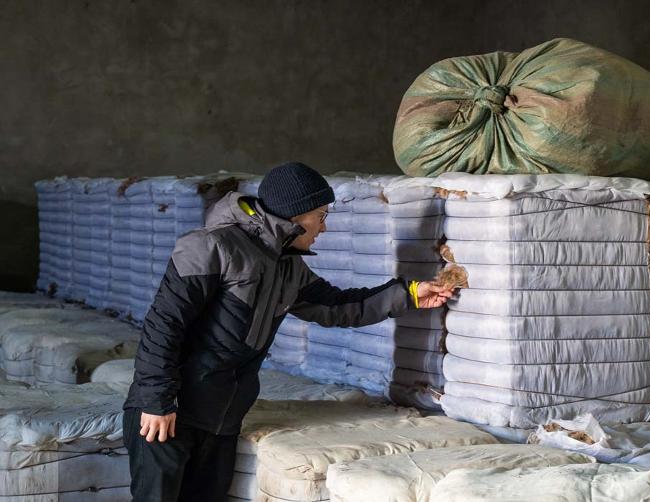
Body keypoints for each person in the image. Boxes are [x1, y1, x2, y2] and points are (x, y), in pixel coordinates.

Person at [122, 162, 454, 501]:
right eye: (321, 216)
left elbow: (338, 306)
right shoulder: (211, 247)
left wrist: (410, 293)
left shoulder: (287, 267)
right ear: (298, 215)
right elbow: (164, 325)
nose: (323, 227)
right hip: (168, 414)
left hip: (219, 421)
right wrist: (156, 401)